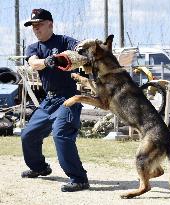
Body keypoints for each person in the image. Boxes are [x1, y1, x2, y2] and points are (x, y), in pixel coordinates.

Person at [21, 8, 89, 192]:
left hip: (69, 98)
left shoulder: (64, 41)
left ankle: (79, 178)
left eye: (40, 24)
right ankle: (39, 167)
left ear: (50, 24)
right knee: (28, 135)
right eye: (33, 26)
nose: (36, 29)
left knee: (61, 134)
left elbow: (80, 50)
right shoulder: (33, 47)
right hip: (49, 101)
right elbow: (34, 63)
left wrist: (82, 51)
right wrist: (50, 60)